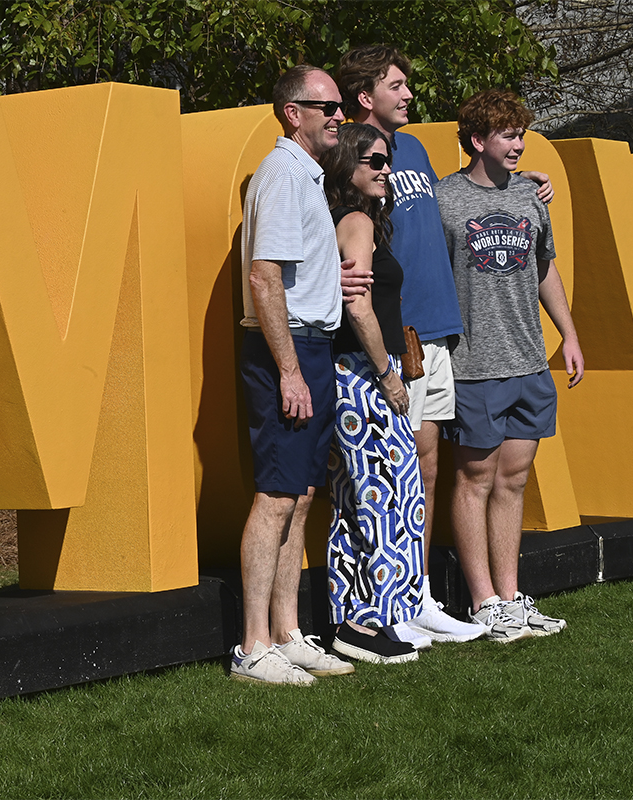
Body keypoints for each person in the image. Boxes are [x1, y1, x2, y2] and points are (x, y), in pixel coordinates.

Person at [336, 45, 554, 643]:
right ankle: (387, 603)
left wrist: (518, 180)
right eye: (398, 85)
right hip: (395, 336)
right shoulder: (351, 153)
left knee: (427, 469)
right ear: (366, 96)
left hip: (439, 333)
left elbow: (456, 200)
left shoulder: (414, 149)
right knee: (395, 472)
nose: (409, 95)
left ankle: (422, 592)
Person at [436, 88, 584, 641]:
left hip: (527, 361)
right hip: (473, 365)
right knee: (475, 479)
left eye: (521, 134)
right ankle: (483, 602)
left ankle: (512, 596)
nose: (519, 144)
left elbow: (545, 269)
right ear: (477, 141)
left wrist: (568, 334)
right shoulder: (443, 199)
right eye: (507, 135)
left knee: (514, 481)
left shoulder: (531, 196)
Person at [230, 65, 359, 684]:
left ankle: (287, 633)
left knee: (301, 495)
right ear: (292, 112)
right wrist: (290, 371)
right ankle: (253, 646)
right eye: (326, 106)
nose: (339, 114)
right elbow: (265, 278)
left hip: (310, 347)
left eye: (339, 106)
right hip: (289, 351)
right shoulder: (282, 174)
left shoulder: (304, 175)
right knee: (277, 495)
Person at [320, 123, 422, 665]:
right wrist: (387, 373)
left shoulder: (347, 218)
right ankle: (370, 622)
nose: (386, 170)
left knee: (353, 500)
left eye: (388, 161)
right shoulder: (356, 220)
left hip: (345, 374)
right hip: (361, 376)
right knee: (385, 500)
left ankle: (352, 620)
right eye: (375, 161)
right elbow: (358, 304)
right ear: (347, 168)